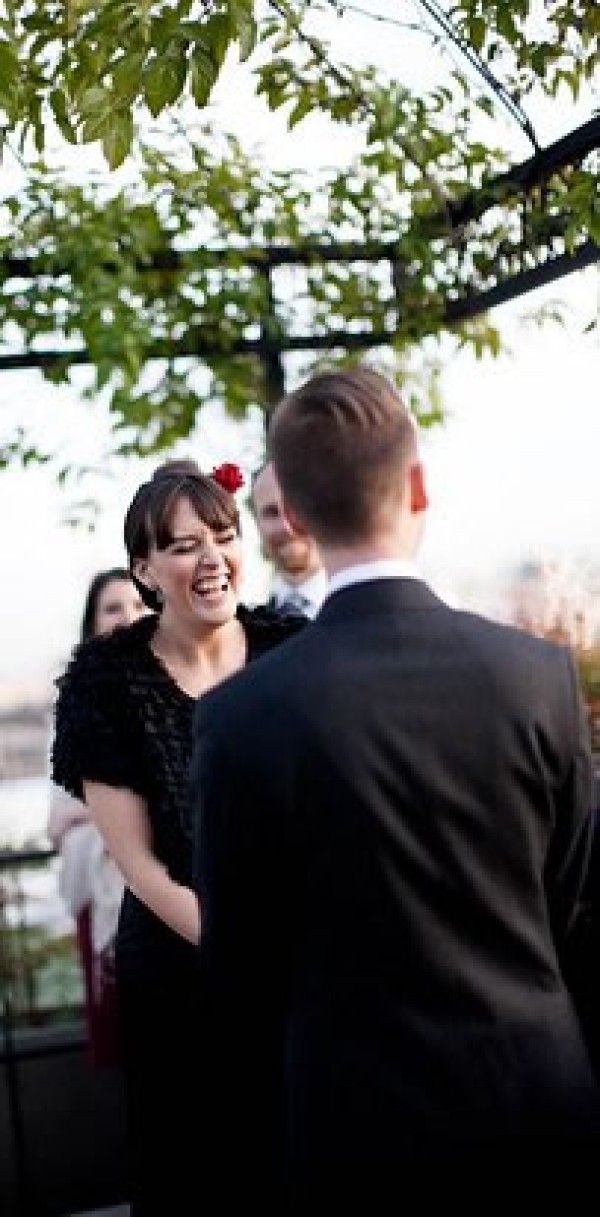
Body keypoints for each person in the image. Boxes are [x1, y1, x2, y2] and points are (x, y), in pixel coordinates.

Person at [191, 366, 600, 1211]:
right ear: (418, 485)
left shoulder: (241, 717)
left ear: (292, 514)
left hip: (357, 1128)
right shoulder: (536, 675)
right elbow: (572, 898)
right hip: (540, 1108)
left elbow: (240, 964)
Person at [51, 458, 304, 1215]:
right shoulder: (105, 679)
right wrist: (247, 948)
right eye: (185, 544)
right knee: (196, 1175)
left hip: (303, 962)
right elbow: (141, 868)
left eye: (223, 536)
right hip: (177, 963)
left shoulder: (293, 645)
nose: (212, 558)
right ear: (145, 569)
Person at [47, 568, 146, 1066]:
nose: (127, 616)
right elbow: (60, 811)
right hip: (103, 890)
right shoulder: (75, 705)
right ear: (92, 624)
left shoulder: (180, 684)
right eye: (112, 607)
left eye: (136, 604)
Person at [251, 458, 326, 617]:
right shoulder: (246, 629)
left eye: (296, 509)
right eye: (271, 512)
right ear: (257, 523)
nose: (286, 526)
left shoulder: (366, 616)